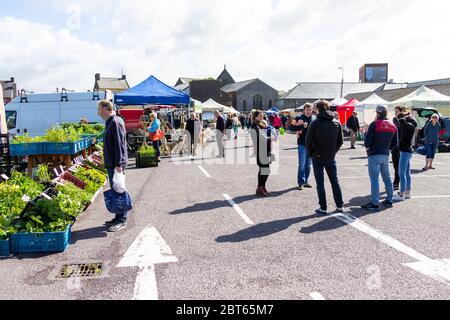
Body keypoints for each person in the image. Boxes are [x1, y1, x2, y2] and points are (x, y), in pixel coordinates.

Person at [306, 100, 344, 215]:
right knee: (334, 181)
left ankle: (323, 207)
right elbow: (340, 141)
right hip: (330, 156)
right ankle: (340, 205)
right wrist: (333, 152)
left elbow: (308, 141)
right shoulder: (336, 122)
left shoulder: (315, 122)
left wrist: (311, 154)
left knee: (320, 182)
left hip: (318, 156)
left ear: (317, 109)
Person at [97, 100, 129, 232]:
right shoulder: (110, 121)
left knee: (119, 190)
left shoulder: (115, 122)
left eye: (99, 109)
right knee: (116, 190)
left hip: (116, 164)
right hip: (113, 163)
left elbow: (119, 144)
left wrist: (119, 164)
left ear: (105, 108)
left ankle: (122, 220)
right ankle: (118, 216)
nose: (98, 112)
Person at [362, 105, 397, 211]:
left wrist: (368, 150)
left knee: (374, 179)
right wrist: (387, 148)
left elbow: (367, 141)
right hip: (385, 153)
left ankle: (374, 202)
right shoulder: (392, 125)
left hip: (374, 153)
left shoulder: (374, 124)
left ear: (377, 113)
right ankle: (389, 200)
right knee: (387, 178)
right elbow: (395, 143)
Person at [393, 109, 418, 202]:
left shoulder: (406, 125)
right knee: (407, 173)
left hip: (404, 151)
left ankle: (402, 194)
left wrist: (403, 118)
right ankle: (407, 193)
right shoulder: (410, 125)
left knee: (401, 173)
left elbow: (400, 121)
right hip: (407, 150)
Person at [292, 103, 315, 190]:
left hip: (311, 146)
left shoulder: (314, 119)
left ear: (312, 110)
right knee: (302, 164)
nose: (308, 111)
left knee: (308, 165)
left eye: (310, 109)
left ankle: (306, 181)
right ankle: (300, 182)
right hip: (302, 144)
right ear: (304, 110)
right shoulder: (299, 118)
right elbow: (291, 128)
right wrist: (302, 126)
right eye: (307, 109)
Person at [251, 111, 272, 197]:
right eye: (260, 116)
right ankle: (260, 188)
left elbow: (267, 132)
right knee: (264, 169)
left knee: (265, 170)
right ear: (255, 117)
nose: (261, 118)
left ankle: (262, 187)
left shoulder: (261, 125)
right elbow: (261, 137)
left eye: (262, 116)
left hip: (266, 149)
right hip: (260, 150)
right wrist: (269, 137)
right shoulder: (255, 126)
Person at [391, 106, 404, 191]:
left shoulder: (405, 120)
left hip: (402, 147)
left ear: (401, 111)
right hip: (395, 146)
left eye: (397, 111)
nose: (395, 112)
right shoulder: (395, 119)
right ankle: (396, 183)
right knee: (396, 166)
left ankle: (397, 183)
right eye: (395, 111)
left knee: (400, 167)